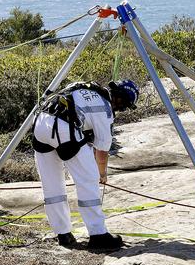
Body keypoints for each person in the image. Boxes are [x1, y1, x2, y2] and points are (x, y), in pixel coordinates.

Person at [32, 79, 139, 251]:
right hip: (63, 126)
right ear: (121, 101)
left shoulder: (85, 87)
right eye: (123, 106)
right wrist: (101, 174)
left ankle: (63, 234)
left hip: (41, 123)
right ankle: (98, 235)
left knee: (52, 185)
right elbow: (102, 150)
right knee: (89, 179)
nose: (120, 109)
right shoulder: (104, 108)